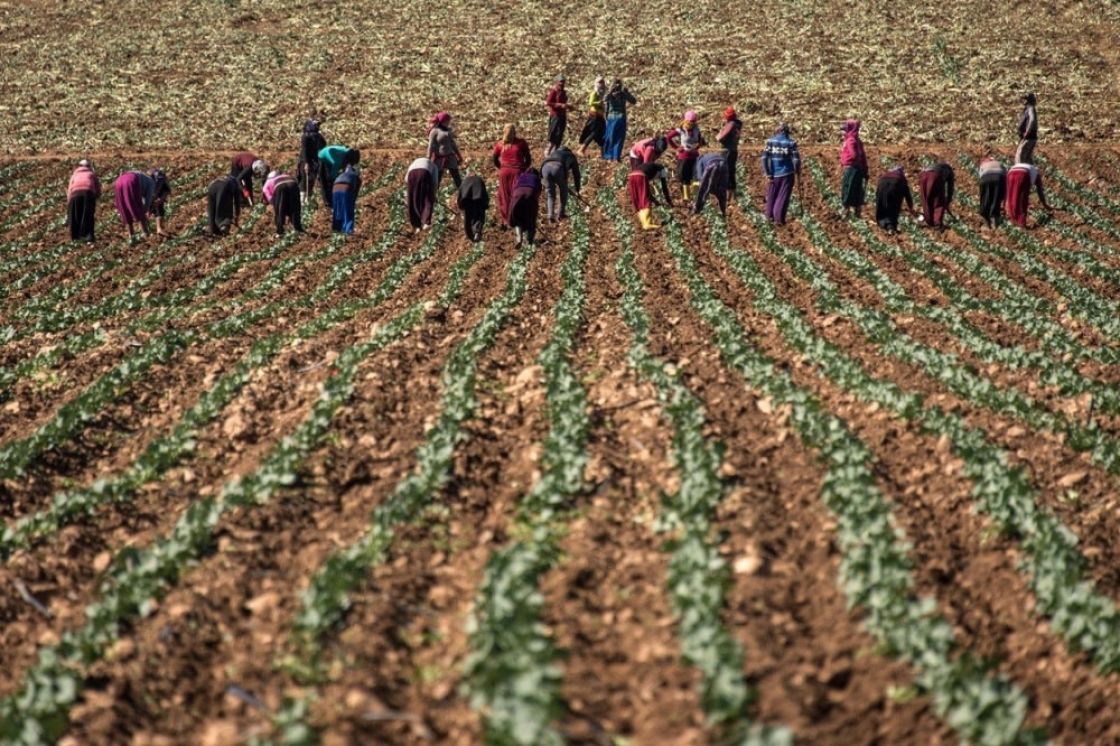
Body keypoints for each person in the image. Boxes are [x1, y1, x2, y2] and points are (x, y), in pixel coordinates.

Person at [491, 124, 532, 227]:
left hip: (504, 172)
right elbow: (528, 158)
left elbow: (495, 159)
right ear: (515, 132)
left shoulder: (500, 144)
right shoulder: (521, 143)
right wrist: (524, 168)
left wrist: (501, 167)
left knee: (505, 196)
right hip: (517, 171)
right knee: (516, 194)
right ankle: (515, 217)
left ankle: (506, 220)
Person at [761, 122, 801, 225]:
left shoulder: (770, 141)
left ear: (778, 130)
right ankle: (778, 219)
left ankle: (769, 216)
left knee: (772, 194)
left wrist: (768, 173)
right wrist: (797, 170)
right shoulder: (791, 143)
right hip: (787, 173)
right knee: (782, 196)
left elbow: (764, 158)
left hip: (774, 174)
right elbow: (796, 160)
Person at [540, 145, 581, 221]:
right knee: (563, 192)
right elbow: (577, 175)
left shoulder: (553, 153)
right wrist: (577, 190)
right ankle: (561, 214)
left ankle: (550, 216)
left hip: (544, 169)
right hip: (557, 168)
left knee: (550, 194)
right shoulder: (571, 155)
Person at [628, 162, 672, 230]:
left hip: (631, 176)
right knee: (645, 200)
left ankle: (644, 222)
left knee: (639, 199)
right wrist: (669, 201)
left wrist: (655, 201)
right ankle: (647, 224)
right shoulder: (663, 170)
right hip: (640, 176)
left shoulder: (651, 168)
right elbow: (664, 187)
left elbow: (647, 192)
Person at [1006, 161, 1051, 228]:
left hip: (1010, 173)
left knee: (1012, 195)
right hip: (1023, 174)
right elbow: (1040, 191)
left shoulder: (1032, 169)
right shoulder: (1037, 175)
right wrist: (1045, 204)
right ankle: (1021, 222)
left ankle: (1013, 218)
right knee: (1022, 198)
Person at [672, 111, 705, 200]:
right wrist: (676, 147)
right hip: (685, 157)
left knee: (694, 176)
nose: (692, 123)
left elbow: (700, 140)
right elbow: (668, 137)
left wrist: (698, 146)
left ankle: (695, 196)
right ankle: (688, 197)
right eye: (691, 121)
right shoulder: (681, 130)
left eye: (693, 121)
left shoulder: (695, 129)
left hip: (692, 156)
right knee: (687, 176)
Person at [66, 159, 101, 243]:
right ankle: (88, 237)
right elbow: (97, 188)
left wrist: (69, 203)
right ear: (89, 166)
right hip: (88, 193)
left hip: (75, 195)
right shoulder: (91, 174)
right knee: (88, 215)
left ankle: (75, 237)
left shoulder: (74, 175)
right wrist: (96, 197)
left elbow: (70, 188)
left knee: (75, 215)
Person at [839, 119, 869, 217]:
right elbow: (863, 157)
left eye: (844, 129)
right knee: (857, 189)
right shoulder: (858, 141)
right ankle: (857, 210)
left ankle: (845, 210)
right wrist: (865, 170)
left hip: (851, 168)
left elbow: (854, 155)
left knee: (848, 188)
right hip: (858, 169)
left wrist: (851, 160)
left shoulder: (850, 140)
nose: (843, 132)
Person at [114, 169, 156, 239]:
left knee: (124, 207)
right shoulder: (152, 182)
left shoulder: (142, 176)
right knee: (138, 208)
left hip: (119, 181)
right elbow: (148, 199)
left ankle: (131, 235)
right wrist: (145, 211)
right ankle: (145, 233)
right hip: (132, 181)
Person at [602, 79, 637, 161]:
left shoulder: (622, 94)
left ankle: (613, 156)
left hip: (616, 117)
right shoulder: (613, 94)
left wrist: (626, 93)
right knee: (614, 137)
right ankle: (612, 157)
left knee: (614, 137)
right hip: (615, 117)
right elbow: (605, 99)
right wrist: (612, 91)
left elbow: (633, 101)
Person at [427, 112, 463, 189]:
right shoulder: (435, 131)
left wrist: (459, 156)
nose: (448, 123)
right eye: (447, 121)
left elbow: (453, 144)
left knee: (456, 176)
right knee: (438, 178)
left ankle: (462, 193)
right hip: (439, 158)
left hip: (450, 156)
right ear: (442, 121)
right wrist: (428, 159)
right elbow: (430, 146)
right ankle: (434, 195)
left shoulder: (448, 131)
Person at [875, 166, 915, 234]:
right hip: (896, 185)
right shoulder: (902, 179)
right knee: (894, 207)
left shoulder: (886, 175)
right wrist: (910, 207)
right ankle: (891, 227)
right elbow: (907, 195)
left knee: (881, 206)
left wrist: (878, 198)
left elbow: (877, 192)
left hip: (882, 183)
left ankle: (884, 224)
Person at [263, 170, 303, 236]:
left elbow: (268, 195)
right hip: (293, 184)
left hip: (280, 187)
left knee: (280, 209)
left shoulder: (268, 182)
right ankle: (298, 228)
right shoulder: (285, 175)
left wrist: (273, 203)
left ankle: (280, 230)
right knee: (295, 207)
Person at [509, 169, 542, 247]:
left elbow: (514, 189)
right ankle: (529, 241)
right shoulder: (536, 178)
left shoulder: (521, 177)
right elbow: (538, 193)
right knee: (531, 220)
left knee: (518, 218)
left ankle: (519, 239)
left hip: (517, 196)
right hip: (530, 195)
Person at [917, 161, 955, 229]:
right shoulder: (950, 171)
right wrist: (948, 200)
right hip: (935, 176)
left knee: (926, 199)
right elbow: (950, 188)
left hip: (923, 175)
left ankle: (929, 221)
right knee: (939, 201)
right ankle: (937, 223)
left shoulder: (938, 166)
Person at [406, 156, 440, 231]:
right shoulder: (434, 166)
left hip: (411, 175)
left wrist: (410, 192)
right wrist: (433, 195)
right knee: (427, 198)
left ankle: (416, 225)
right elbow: (435, 183)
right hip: (424, 173)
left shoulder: (415, 162)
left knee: (413, 199)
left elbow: (406, 179)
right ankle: (426, 222)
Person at [299, 114, 327, 203]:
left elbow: (323, 145)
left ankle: (308, 200)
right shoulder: (305, 137)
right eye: (317, 125)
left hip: (314, 161)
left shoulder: (318, 136)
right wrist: (306, 163)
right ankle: (302, 200)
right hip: (306, 161)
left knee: (311, 180)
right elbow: (305, 150)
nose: (318, 127)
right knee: (304, 180)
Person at [692, 151, 729, 217]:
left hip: (712, 166)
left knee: (703, 189)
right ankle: (723, 210)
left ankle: (697, 208)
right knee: (722, 189)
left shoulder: (699, 161)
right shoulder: (708, 156)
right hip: (724, 165)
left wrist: (702, 184)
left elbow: (700, 176)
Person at [578, 77, 607, 156]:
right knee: (593, 133)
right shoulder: (594, 93)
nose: (601, 85)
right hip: (594, 116)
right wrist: (599, 103)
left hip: (600, 116)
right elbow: (591, 103)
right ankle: (581, 149)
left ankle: (603, 153)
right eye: (599, 83)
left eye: (602, 83)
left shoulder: (602, 95)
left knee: (603, 134)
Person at [716, 107, 743, 193]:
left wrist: (719, 133)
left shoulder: (731, 124)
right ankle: (732, 193)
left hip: (727, 151)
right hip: (734, 150)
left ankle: (726, 192)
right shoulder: (737, 124)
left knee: (725, 170)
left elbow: (720, 137)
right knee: (731, 171)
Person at [545, 75, 573, 156]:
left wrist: (568, 106)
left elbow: (564, 103)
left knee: (560, 133)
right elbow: (548, 102)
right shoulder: (554, 91)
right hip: (555, 115)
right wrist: (560, 105)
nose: (562, 84)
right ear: (556, 82)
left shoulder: (563, 92)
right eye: (560, 82)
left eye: (563, 82)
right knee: (553, 132)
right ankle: (548, 150)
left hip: (562, 115)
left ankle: (555, 151)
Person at [458, 171, 489, 243]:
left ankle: (471, 236)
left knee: (468, 219)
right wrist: (485, 203)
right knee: (479, 217)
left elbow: (460, 195)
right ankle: (477, 232)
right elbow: (484, 193)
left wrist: (460, 206)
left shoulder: (465, 181)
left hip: (467, 201)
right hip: (478, 200)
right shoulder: (479, 179)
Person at [977, 156, 1007, 229]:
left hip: (985, 178)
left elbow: (981, 176)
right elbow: (1006, 175)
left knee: (985, 197)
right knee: (996, 197)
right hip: (998, 177)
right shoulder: (999, 163)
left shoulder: (983, 165)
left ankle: (985, 216)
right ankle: (994, 218)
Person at [332, 162, 361, 234]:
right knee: (348, 210)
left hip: (335, 189)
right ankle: (348, 230)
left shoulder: (341, 174)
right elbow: (355, 192)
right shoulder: (356, 178)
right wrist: (353, 202)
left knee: (337, 209)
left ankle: (336, 228)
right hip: (346, 188)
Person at [1015, 92, 1038, 165]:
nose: (1023, 101)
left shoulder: (1030, 108)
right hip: (1029, 137)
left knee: (1019, 157)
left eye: (1025, 100)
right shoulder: (1028, 109)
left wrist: (1027, 132)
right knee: (1027, 158)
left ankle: (1020, 173)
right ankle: (1031, 173)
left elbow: (1032, 120)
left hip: (1028, 137)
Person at [149, 169, 172, 236]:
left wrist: (160, 200)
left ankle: (159, 228)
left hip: (158, 193)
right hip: (150, 193)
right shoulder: (149, 182)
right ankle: (150, 230)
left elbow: (166, 191)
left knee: (159, 210)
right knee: (152, 210)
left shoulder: (163, 184)